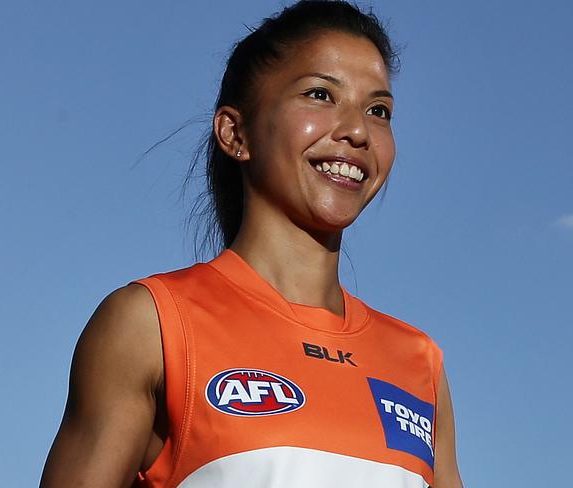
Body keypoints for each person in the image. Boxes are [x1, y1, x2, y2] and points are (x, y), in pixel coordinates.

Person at [40, 1, 463, 487]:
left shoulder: (419, 362)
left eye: (378, 110)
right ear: (235, 133)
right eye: (321, 94)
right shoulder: (152, 324)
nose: (357, 130)